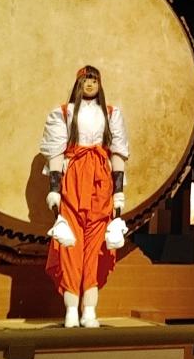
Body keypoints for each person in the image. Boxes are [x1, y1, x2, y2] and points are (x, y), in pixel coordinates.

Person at [40, 65, 129, 328]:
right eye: (85, 80)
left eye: (94, 80)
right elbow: (56, 153)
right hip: (74, 180)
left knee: (96, 248)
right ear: (78, 84)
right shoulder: (63, 112)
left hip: (101, 182)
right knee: (70, 246)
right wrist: (54, 189)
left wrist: (119, 193)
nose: (90, 84)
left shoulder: (111, 113)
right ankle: (71, 309)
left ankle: (89, 309)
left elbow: (118, 154)